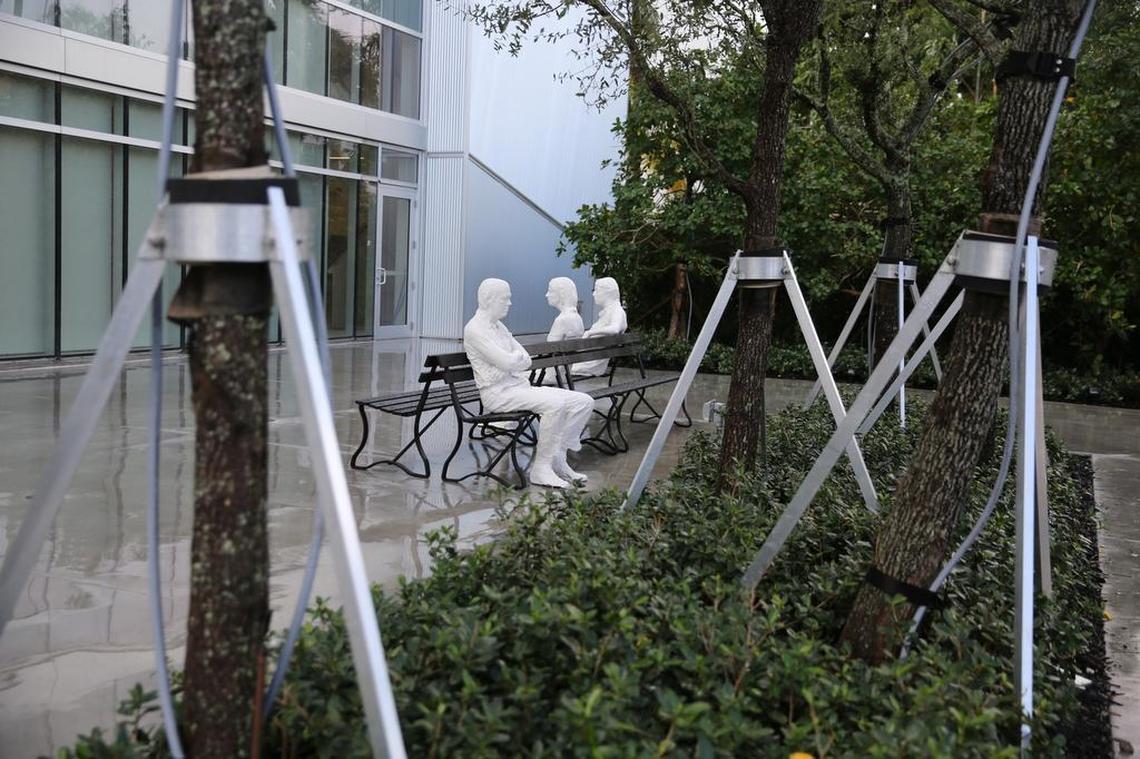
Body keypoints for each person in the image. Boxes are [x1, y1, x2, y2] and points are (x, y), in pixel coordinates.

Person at [464, 279, 594, 488]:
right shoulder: (475, 329)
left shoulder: (499, 326)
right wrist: (511, 362)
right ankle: (541, 469)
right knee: (555, 405)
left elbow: (525, 359)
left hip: (518, 388)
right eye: (505, 299)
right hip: (498, 395)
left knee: (584, 402)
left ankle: (557, 458)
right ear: (489, 300)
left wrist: (512, 362)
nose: (510, 303)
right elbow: (509, 361)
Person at [575, 277, 627, 377]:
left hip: (592, 364)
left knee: (553, 369)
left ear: (607, 293)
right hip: (589, 358)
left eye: (596, 290)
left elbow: (615, 328)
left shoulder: (617, 311)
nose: (594, 294)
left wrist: (590, 332)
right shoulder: (610, 311)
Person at [545, 277, 585, 342]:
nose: (547, 295)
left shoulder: (561, 320)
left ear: (561, 294)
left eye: (550, 291)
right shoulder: (578, 318)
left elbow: (551, 347)